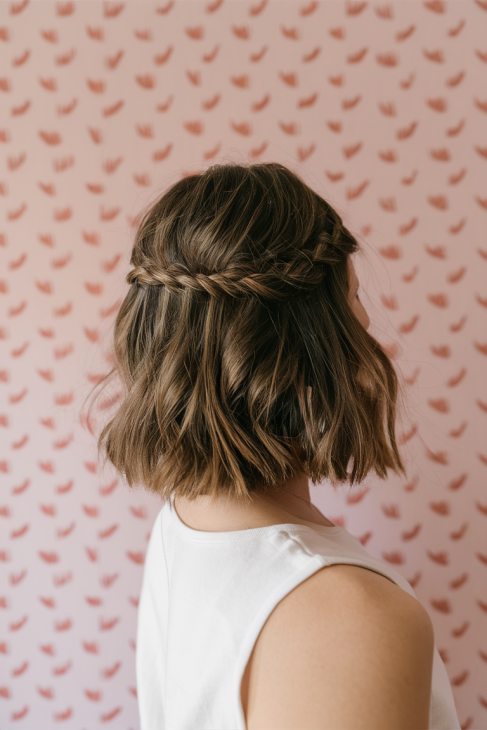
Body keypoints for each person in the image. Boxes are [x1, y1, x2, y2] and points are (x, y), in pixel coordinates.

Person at [89, 162, 461, 729]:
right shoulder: (351, 618)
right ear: (308, 341)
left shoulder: (188, 524)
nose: (370, 331)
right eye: (354, 299)